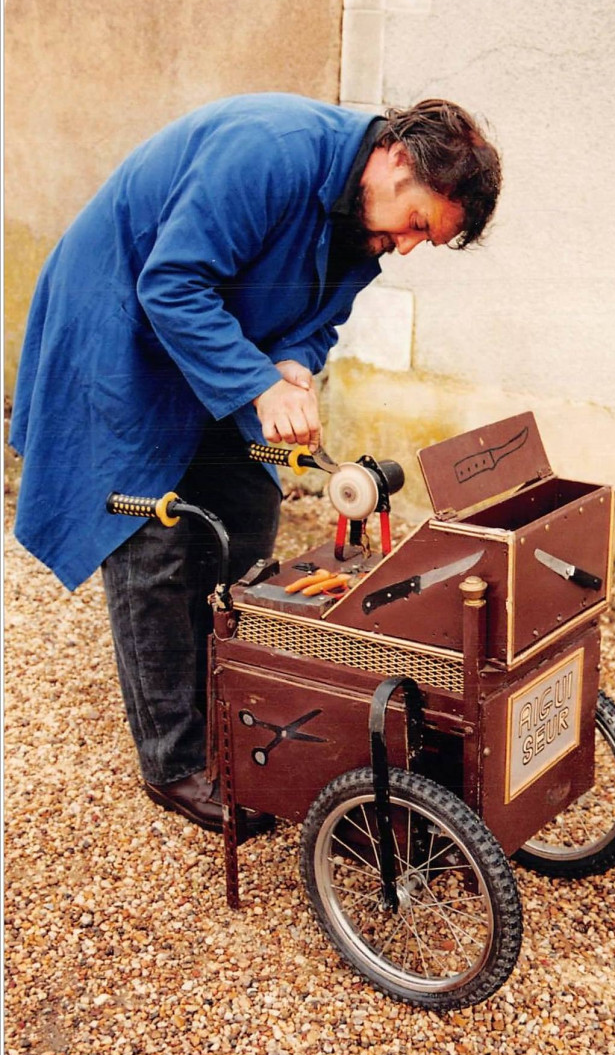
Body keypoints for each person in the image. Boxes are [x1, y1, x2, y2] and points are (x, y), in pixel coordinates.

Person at [10, 92, 501, 833]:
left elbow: (317, 321)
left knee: (246, 513)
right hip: (119, 326)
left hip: (211, 344)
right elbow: (169, 283)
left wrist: (295, 366)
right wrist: (256, 384)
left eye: (423, 241)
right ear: (399, 162)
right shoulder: (268, 151)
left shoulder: (363, 225)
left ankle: (226, 706)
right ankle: (173, 761)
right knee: (153, 538)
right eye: (418, 225)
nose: (406, 247)